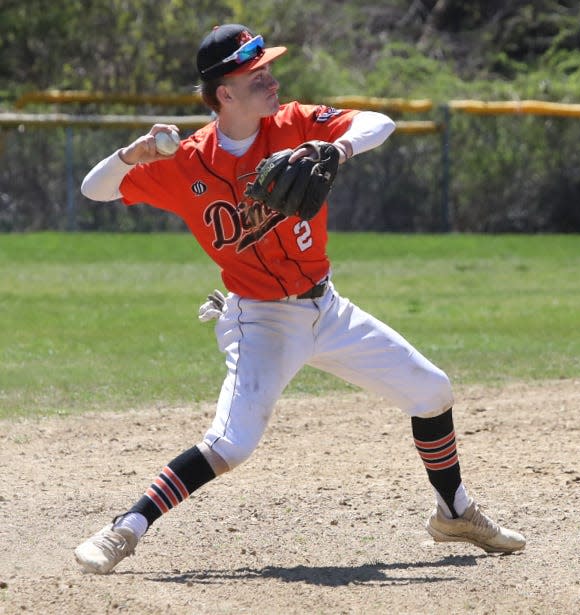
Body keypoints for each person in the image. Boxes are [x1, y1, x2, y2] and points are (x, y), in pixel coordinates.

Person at [74, 23, 525, 574]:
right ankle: (125, 528)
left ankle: (453, 512)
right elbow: (94, 189)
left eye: (268, 68)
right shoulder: (185, 162)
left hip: (327, 308)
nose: (272, 78)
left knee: (432, 391)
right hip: (260, 319)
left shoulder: (296, 125)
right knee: (231, 445)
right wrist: (133, 153)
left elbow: (379, 123)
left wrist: (337, 147)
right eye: (256, 73)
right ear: (224, 93)